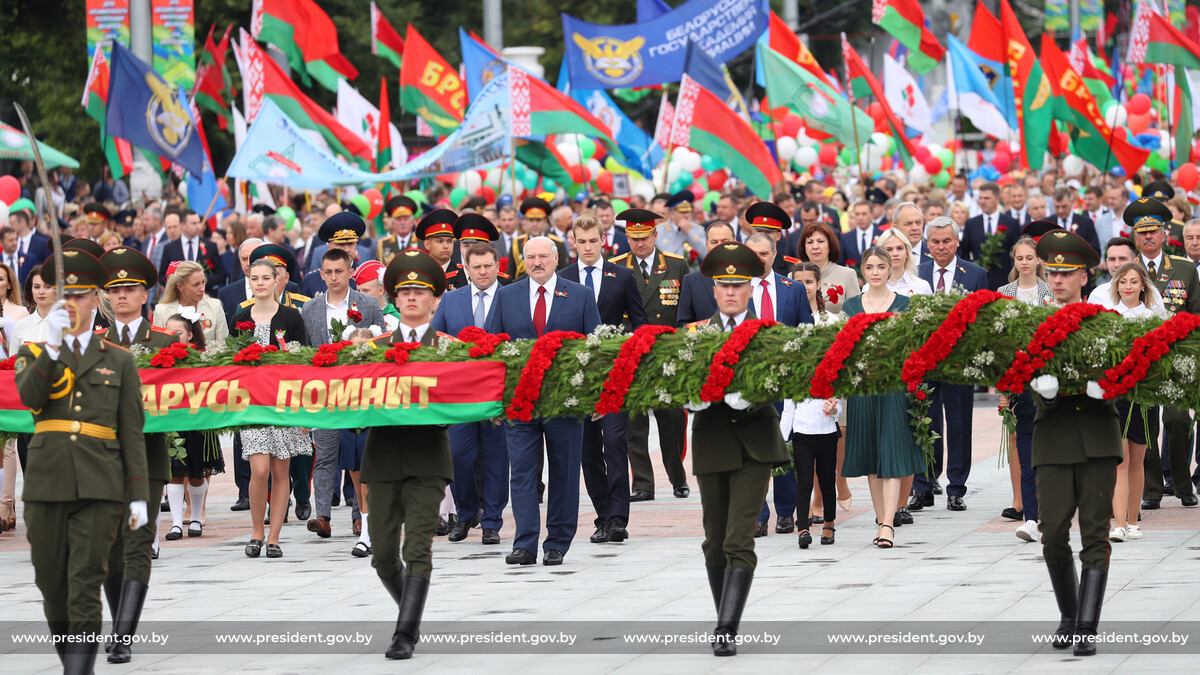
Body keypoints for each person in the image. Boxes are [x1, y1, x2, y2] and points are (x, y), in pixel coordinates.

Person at [13, 248, 149, 671]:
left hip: (100, 484)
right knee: (51, 588)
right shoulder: (35, 353)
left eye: (81, 295)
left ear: (96, 299)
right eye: (63, 295)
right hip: (46, 484)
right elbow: (31, 398)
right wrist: (52, 347)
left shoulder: (119, 360)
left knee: (83, 585)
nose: (71, 303)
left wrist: (139, 497)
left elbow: (131, 432)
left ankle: (79, 670)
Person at [681, 242, 790, 657]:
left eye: (738, 285)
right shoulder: (695, 335)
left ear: (750, 289)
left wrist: (752, 394)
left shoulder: (768, 335)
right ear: (713, 290)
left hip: (755, 444)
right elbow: (679, 386)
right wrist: (694, 397)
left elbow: (781, 379)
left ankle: (726, 627)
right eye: (723, 285)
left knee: (738, 537)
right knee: (713, 539)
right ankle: (723, 615)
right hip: (711, 441)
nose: (730, 292)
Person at [1027, 229, 1120, 656]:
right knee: (1052, 534)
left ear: (1086, 276)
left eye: (1068, 273)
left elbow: (1128, 369)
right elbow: (1021, 371)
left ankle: (1086, 625)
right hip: (1054, 437)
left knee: (1096, 533)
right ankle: (1068, 613)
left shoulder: (1105, 322)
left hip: (1098, 436)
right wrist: (1041, 389)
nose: (1058, 280)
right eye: (1053, 272)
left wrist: (1111, 387)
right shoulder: (1036, 324)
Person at [364, 248, 456, 660]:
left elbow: (462, 399)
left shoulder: (450, 348)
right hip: (382, 458)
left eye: (421, 291)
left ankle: (405, 635)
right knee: (383, 556)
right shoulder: (375, 348)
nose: (413, 298)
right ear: (395, 301)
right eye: (405, 293)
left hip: (428, 460)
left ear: (435, 300)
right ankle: (411, 615)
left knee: (416, 548)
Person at [488, 236, 600, 566]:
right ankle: (524, 543)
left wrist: (594, 395)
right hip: (519, 403)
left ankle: (557, 542)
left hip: (565, 401)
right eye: (531, 257)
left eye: (543, 256)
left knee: (564, 472)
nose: (537, 262)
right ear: (524, 261)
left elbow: (595, 346)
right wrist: (495, 400)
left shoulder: (579, 295)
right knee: (522, 473)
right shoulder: (507, 295)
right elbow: (494, 349)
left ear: (555, 259)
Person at [95, 246, 176, 664]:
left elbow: (187, 397)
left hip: (145, 459)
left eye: (130, 288)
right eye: (115, 289)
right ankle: (118, 622)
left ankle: (123, 635)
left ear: (146, 294)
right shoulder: (93, 344)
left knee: (136, 542)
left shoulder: (166, 343)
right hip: (103, 458)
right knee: (110, 549)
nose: (122, 296)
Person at [560, 214, 648, 543]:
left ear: (603, 241)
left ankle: (618, 517)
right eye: (580, 242)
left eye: (592, 241)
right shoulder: (563, 277)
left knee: (614, 442)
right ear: (573, 242)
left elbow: (640, 323)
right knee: (588, 450)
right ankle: (602, 516)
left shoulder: (622, 276)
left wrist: (632, 359)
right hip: (576, 378)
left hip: (615, 374)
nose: (586, 247)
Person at [841, 247, 926, 549]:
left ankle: (889, 523)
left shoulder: (904, 304)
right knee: (872, 459)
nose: (875, 272)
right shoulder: (851, 306)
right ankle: (881, 521)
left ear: (890, 269)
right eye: (869, 266)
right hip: (862, 390)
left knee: (891, 453)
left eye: (881, 266)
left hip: (894, 388)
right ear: (862, 270)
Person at [300, 248, 385, 540]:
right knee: (324, 454)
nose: (334, 277)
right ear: (320, 274)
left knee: (360, 455)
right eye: (328, 272)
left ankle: (360, 517)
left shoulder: (368, 304)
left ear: (350, 272)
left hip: (358, 391)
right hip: (324, 392)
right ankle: (322, 515)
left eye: (339, 271)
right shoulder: (310, 309)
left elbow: (382, 342)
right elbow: (305, 355)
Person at [609, 210, 691, 503]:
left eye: (644, 237)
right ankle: (642, 483)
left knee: (672, 420)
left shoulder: (677, 265)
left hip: (665, 354)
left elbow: (685, 310)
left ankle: (677, 477)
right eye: (633, 238)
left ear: (655, 236)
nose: (639, 243)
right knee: (634, 423)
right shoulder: (616, 267)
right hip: (631, 355)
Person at [232, 258, 311, 559]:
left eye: (267, 277)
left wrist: (304, 409)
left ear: (278, 281)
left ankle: (274, 536)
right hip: (253, 403)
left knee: (281, 470)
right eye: (255, 278)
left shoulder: (292, 316)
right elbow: (233, 359)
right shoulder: (240, 316)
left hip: (285, 403)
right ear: (249, 281)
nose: (261, 282)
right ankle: (256, 531)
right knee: (259, 469)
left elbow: (302, 361)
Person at [1126, 198, 1200, 510]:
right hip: (1141, 362)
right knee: (1146, 425)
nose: (1148, 237)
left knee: (1178, 420)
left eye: (1154, 230)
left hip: (1176, 360)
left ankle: (1183, 484)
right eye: (1142, 232)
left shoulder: (1183, 268)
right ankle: (1152, 489)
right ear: (1134, 236)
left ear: (1165, 233)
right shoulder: (1128, 272)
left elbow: (1196, 316)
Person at [911, 218, 988, 515]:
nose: (941, 247)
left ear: (957, 242)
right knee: (924, 422)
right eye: (935, 241)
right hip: (925, 363)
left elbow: (983, 318)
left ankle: (957, 488)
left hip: (959, 363)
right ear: (927, 244)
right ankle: (923, 485)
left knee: (958, 425)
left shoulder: (975, 274)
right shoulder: (915, 274)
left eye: (946, 241)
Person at [998, 229, 1056, 541]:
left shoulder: (1051, 292)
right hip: (1018, 379)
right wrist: (1003, 387)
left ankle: (1052, 512)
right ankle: (1032, 517)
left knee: (1051, 449)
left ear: (1038, 260)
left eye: (1029, 258)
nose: (1024, 263)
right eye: (1019, 258)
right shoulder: (1004, 292)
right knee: (1025, 449)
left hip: (1048, 378)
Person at [781, 262, 843, 549]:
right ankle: (802, 526)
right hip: (801, 416)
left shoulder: (830, 322)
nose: (804, 287)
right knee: (803, 478)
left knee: (826, 477)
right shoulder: (788, 324)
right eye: (798, 281)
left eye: (809, 281)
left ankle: (829, 523)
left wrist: (835, 404)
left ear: (819, 284)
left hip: (825, 414)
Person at [1107, 261, 1162, 543]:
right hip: (1116, 394)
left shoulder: (1152, 317)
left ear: (1143, 286)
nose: (1128, 286)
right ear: (1116, 286)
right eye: (1123, 281)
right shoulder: (1108, 316)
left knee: (1138, 458)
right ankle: (1117, 523)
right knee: (1120, 459)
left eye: (1133, 281)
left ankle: (1132, 520)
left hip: (1144, 395)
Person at [160, 309, 223, 543]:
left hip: (198, 423)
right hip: (172, 421)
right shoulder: (159, 359)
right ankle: (176, 523)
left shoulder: (202, 358)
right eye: (168, 332)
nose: (172, 336)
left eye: (177, 332)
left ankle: (196, 516)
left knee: (197, 474)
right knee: (175, 473)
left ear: (189, 335)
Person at [153, 260, 228, 347]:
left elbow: (223, 346)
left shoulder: (215, 306)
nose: (202, 289)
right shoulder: (161, 310)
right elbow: (158, 348)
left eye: (203, 282)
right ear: (180, 286)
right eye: (196, 285)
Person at [961, 182, 1020, 289]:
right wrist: (974, 268)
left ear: (997, 199)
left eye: (987, 198)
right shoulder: (971, 223)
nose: (982, 201)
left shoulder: (1011, 223)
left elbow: (1016, 254)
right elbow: (964, 253)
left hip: (1004, 282)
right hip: (977, 282)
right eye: (980, 198)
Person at [794, 221, 860, 315]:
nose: (815, 247)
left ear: (830, 245)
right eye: (810, 242)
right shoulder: (793, 276)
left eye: (820, 241)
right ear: (804, 247)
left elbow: (856, 314)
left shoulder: (848, 274)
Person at [677, 221, 736, 325]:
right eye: (714, 242)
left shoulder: (749, 277)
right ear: (706, 244)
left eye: (724, 241)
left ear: (734, 242)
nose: (719, 246)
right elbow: (683, 325)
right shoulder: (691, 282)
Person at [156, 209, 226, 293]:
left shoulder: (210, 246)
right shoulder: (170, 248)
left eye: (198, 223)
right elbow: (162, 276)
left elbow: (221, 274)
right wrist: (174, 281)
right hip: (179, 298)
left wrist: (204, 281)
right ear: (183, 225)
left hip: (205, 296)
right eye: (193, 223)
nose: (198, 226)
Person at [303, 212, 370, 296]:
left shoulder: (368, 278)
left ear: (356, 245)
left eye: (351, 244)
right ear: (329, 248)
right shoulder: (312, 280)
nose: (347, 249)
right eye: (341, 245)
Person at [878, 228, 932, 296]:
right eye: (889, 250)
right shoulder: (869, 288)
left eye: (900, 248)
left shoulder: (922, 287)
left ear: (907, 253)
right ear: (880, 254)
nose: (895, 253)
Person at [657, 190, 707, 261]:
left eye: (688, 212)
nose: (686, 215)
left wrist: (690, 232)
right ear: (672, 213)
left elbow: (706, 255)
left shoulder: (698, 230)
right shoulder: (658, 231)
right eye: (682, 212)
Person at [353, 260, 401, 332]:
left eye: (366, 290)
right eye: (358, 291)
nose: (361, 295)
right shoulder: (352, 318)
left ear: (381, 291)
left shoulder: (399, 320)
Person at [839, 201, 884, 266]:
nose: (860, 218)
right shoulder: (845, 238)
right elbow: (841, 263)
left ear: (872, 215)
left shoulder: (882, 235)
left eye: (864, 214)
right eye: (857, 214)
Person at [376, 196, 418, 264]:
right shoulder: (383, 244)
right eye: (398, 219)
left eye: (406, 219)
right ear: (393, 223)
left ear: (413, 222)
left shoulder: (422, 243)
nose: (402, 223)